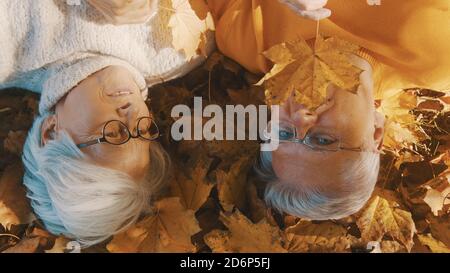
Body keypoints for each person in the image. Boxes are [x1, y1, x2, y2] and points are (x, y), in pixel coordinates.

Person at [0, 0, 448, 246]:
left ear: (51, 132)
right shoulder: (437, 58)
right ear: (375, 132)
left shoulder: (230, 42)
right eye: (323, 138)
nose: (300, 115)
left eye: (284, 134)